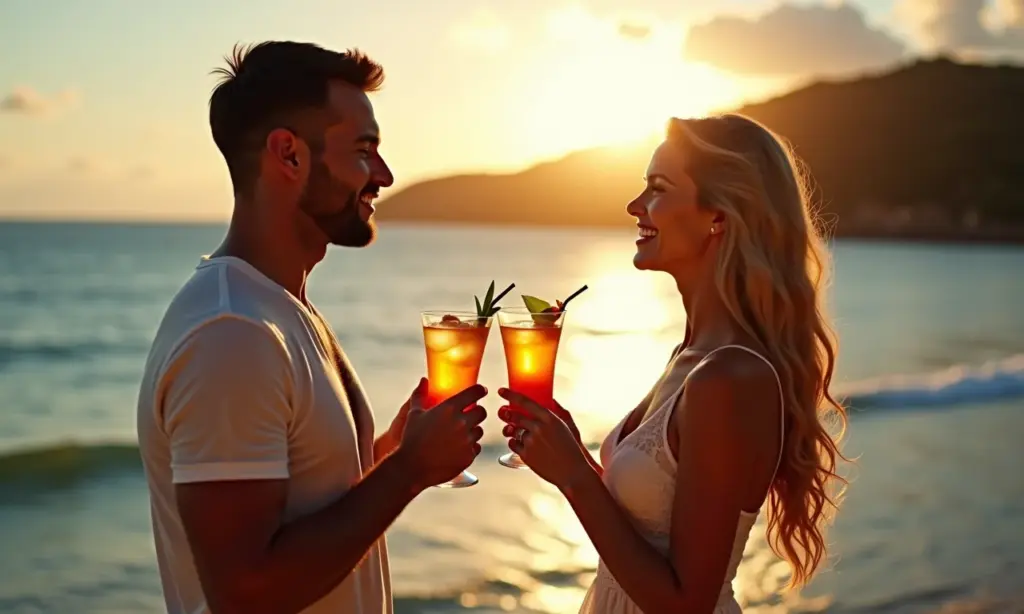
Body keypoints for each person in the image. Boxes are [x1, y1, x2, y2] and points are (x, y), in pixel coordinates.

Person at [135, 41, 487, 614]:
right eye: (364, 150)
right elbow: (245, 591)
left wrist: (388, 451)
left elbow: (302, 503)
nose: (385, 175)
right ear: (289, 155)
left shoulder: (277, 307)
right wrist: (408, 471)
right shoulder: (232, 333)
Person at [498, 114, 850, 613]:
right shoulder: (688, 358)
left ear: (719, 215)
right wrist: (574, 456)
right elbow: (647, 527)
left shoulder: (730, 377)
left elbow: (687, 605)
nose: (634, 206)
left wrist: (575, 475)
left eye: (657, 189)